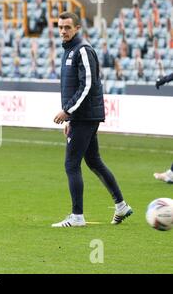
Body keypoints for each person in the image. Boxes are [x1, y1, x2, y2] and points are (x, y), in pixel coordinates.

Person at [52, 12, 132, 228]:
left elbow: (87, 85)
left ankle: (77, 217)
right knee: (93, 161)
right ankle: (121, 205)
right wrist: (71, 118)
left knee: (71, 164)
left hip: (85, 115)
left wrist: (67, 111)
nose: (63, 31)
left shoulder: (84, 50)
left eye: (67, 27)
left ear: (77, 28)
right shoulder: (69, 50)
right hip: (82, 116)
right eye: (60, 27)